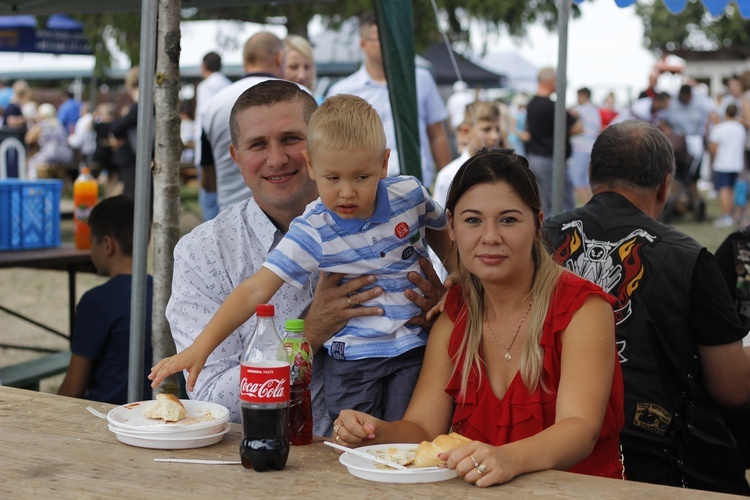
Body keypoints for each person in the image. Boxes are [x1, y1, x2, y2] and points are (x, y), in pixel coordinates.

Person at [160, 80, 444, 436]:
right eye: (258, 144)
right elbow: (212, 404)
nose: (276, 158)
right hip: (278, 458)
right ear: (236, 157)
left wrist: (446, 309)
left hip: (404, 407)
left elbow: (463, 286)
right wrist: (308, 335)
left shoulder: (402, 208)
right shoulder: (203, 252)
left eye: (290, 138)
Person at [334, 149, 625, 487]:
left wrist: (507, 458)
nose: (490, 237)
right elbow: (424, 429)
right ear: (452, 227)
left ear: (537, 224)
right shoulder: (456, 310)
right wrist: (374, 431)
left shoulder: (583, 308)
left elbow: (580, 429)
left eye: (509, 220)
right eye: (473, 220)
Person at [545, 120, 750, 495]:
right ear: (665, 186)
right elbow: (733, 387)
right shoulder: (690, 257)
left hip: (541, 444)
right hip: (655, 460)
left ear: (591, 175)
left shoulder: (537, 239)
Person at [326, 11, 451, 189]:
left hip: (418, 184)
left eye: (392, 37)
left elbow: (437, 134)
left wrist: (448, 184)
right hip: (366, 189)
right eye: (381, 38)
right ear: (363, 44)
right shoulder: (342, 91)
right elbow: (332, 145)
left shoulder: (421, 79)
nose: (390, 43)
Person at [58, 195, 153, 405]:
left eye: (92, 243)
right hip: (156, 411)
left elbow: (73, 387)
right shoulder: (164, 293)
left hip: (106, 415)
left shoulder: (97, 302)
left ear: (108, 245)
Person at [200, 32, 285, 211]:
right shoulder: (299, 96)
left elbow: (208, 178)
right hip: (291, 217)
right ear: (279, 58)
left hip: (229, 213)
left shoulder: (213, 104)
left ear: (244, 60)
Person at [525, 67, 582, 215]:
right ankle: (563, 235)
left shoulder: (532, 104)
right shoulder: (552, 106)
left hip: (535, 157)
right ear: (551, 82)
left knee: (544, 203)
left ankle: (546, 235)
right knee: (562, 202)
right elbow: (578, 128)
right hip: (550, 160)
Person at [194, 51, 232, 221]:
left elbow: (205, 118)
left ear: (204, 67)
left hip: (208, 151)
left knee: (209, 200)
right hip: (228, 148)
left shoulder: (206, 86)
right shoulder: (228, 84)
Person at [708, 104, 747, 227]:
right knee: (733, 190)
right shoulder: (740, 128)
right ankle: (734, 215)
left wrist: (713, 161)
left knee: (724, 190)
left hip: (722, 163)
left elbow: (713, 148)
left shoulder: (719, 128)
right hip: (737, 164)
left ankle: (726, 216)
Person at [110, 66, 141, 199]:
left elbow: (116, 129)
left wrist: (119, 136)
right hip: (134, 156)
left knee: (131, 196)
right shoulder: (141, 106)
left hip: (132, 157)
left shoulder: (140, 106)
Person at [568, 87, 601, 205]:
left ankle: (587, 204)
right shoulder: (594, 110)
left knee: (576, 177)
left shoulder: (582, 109)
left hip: (580, 147)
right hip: (590, 147)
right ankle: (592, 203)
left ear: (583, 96)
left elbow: (571, 114)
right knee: (585, 179)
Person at [25, 103, 73, 180]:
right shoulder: (59, 123)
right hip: (65, 155)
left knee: (32, 163)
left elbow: (28, 139)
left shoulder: (43, 124)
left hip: (50, 154)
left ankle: (33, 186)